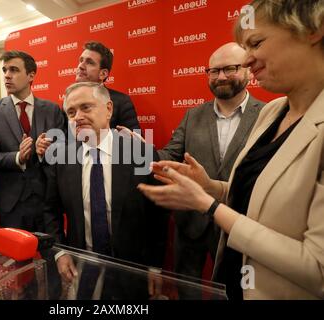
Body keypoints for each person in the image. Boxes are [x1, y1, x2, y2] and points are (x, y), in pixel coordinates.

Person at [138, 0, 324, 300]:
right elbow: (257, 192)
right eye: (213, 70)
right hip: (223, 262)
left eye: (257, 43)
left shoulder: (263, 110)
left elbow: (317, 269)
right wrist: (210, 187)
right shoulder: (274, 112)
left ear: (313, 31)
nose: (250, 60)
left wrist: (209, 205)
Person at [43, 82, 167, 299]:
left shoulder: (142, 153)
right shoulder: (61, 158)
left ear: (108, 109)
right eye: (71, 112)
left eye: (86, 107)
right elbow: (50, 210)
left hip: (132, 271)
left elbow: (158, 216)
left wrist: (155, 266)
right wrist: (60, 252)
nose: (77, 117)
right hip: (83, 268)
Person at [157, 42, 264, 289]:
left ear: (248, 70)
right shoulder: (193, 115)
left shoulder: (267, 114)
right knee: (187, 291)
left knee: (235, 291)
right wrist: (138, 151)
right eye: (214, 71)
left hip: (239, 224)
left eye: (230, 68)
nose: (221, 76)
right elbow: (171, 154)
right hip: (191, 224)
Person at [0, 50, 66, 231]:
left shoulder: (52, 109)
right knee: (15, 257)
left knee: (54, 256)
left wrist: (47, 150)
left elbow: (64, 150)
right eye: (5, 70)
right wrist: (18, 157)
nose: (7, 75)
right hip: (12, 204)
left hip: (48, 201)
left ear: (31, 75)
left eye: (13, 70)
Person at [76, 41, 140, 131]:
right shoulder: (69, 100)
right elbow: (63, 140)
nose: (81, 66)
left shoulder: (122, 102)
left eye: (89, 62)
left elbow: (137, 142)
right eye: (81, 60)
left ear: (103, 74)